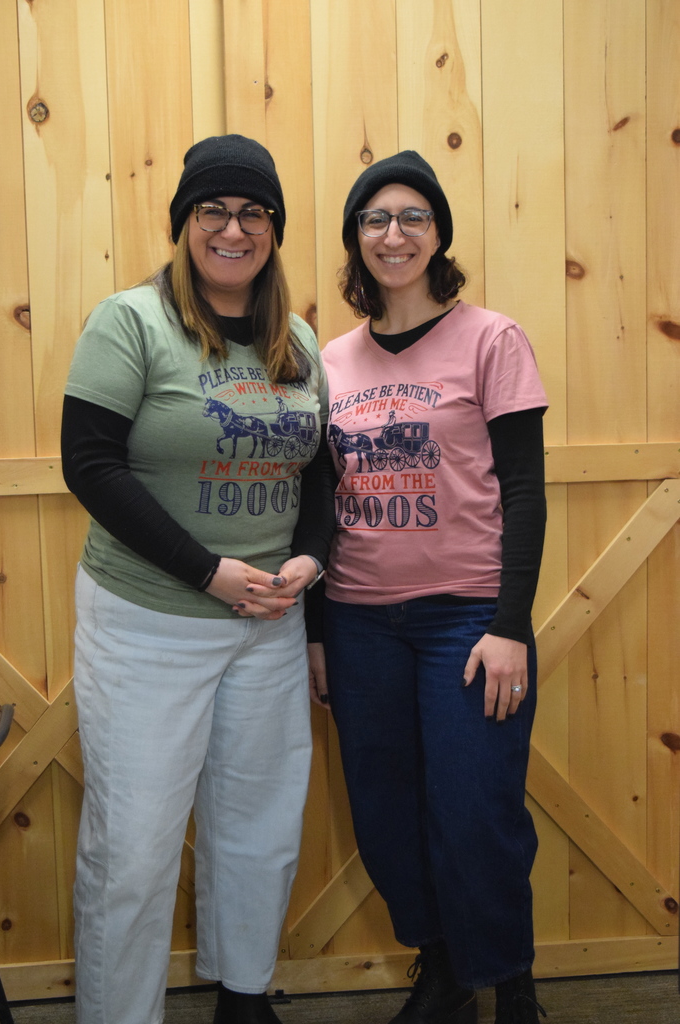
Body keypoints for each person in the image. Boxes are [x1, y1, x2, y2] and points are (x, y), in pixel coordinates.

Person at [62, 134, 334, 1024]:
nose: (233, 227)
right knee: (133, 846)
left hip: (267, 625)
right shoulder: (130, 321)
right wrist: (208, 572)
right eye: (212, 210)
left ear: (273, 230)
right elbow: (91, 465)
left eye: (253, 212)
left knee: (258, 825)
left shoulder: (295, 336)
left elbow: (320, 474)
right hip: (147, 624)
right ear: (184, 224)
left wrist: (308, 558)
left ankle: (245, 994)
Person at [309, 151, 548, 1024]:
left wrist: (510, 624)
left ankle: (508, 974)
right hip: (359, 621)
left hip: (468, 622)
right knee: (385, 809)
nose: (393, 233)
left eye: (412, 216)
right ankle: (442, 967)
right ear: (355, 242)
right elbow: (314, 502)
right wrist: (315, 634)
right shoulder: (327, 360)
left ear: (438, 233)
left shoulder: (492, 338)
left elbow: (523, 490)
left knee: (475, 806)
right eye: (375, 220)